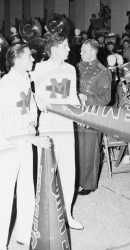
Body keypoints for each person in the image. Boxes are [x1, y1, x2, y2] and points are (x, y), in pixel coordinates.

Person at [0, 43, 51, 250]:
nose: (33, 59)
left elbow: (29, 107)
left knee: (26, 188)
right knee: (5, 194)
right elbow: (7, 124)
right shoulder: (6, 84)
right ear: (17, 59)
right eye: (29, 56)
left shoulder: (25, 79)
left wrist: (32, 123)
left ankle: (24, 233)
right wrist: (33, 139)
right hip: (9, 144)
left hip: (25, 139)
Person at [31, 31, 83, 230]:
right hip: (48, 126)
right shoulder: (40, 68)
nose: (69, 49)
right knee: (47, 169)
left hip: (66, 125)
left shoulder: (70, 69)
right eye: (65, 47)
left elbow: (73, 97)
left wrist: (82, 114)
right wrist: (38, 99)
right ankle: (46, 215)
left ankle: (67, 213)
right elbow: (28, 93)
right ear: (54, 49)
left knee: (68, 169)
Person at [76, 39, 111, 195]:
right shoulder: (77, 67)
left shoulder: (103, 72)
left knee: (89, 150)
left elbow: (106, 98)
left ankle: (88, 184)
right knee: (76, 148)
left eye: (84, 50)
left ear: (93, 52)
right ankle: (76, 178)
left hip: (93, 114)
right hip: (75, 112)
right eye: (81, 50)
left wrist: (86, 98)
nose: (81, 52)